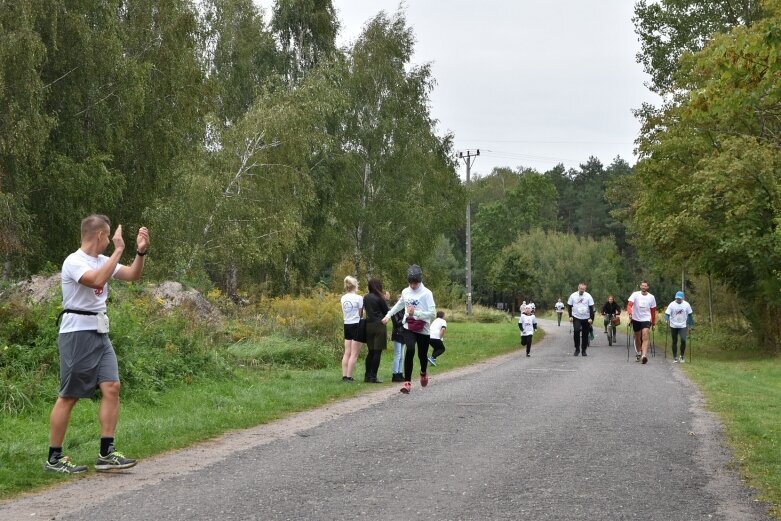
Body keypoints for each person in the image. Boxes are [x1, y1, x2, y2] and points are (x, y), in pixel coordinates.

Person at [45, 215, 149, 474]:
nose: (111, 241)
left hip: (100, 332)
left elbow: (132, 275)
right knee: (69, 396)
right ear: (101, 236)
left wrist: (140, 252)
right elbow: (96, 280)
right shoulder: (74, 261)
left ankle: (106, 453)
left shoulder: (104, 260)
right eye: (109, 237)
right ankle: (54, 458)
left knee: (112, 386)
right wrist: (119, 249)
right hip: (77, 333)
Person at [382, 265, 436, 394]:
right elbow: (399, 305)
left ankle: (423, 372)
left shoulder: (427, 293)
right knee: (410, 349)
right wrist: (388, 316)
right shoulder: (406, 291)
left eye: (415, 283)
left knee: (422, 355)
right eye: (411, 283)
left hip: (423, 328)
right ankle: (407, 383)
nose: (413, 286)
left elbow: (433, 314)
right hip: (408, 326)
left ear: (420, 280)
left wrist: (416, 313)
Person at [362, 279, 389, 383]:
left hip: (368, 325)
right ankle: (373, 376)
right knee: (377, 352)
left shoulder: (366, 297)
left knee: (370, 352)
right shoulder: (380, 297)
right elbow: (386, 311)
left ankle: (367, 376)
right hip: (379, 325)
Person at [627, 281, 657, 364]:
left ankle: (644, 355)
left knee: (645, 335)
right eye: (642, 286)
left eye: (645, 286)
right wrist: (630, 313)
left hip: (646, 319)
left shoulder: (651, 297)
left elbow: (653, 311)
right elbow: (629, 305)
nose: (644, 287)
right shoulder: (635, 294)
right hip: (636, 318)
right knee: (637, 337)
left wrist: (653, 322)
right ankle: (639, 352)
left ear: (647, 287)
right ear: (640, 286)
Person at [340, 276, 363, 382]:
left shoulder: (343, 298)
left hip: (347, 324)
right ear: (355, 286)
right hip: (356, 325)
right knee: (354, 353)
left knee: (347, 352)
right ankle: (349, 376)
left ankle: (344, 376)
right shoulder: (359, 298)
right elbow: (360, 313)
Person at [665, 291, 694, 363]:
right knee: (674, 341)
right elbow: (667, 314)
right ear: (675, 298)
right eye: (677, 298)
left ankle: (681, 356)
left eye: (680, 298)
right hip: (673, 325)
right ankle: (675, 357)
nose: (678, 299)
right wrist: (667, 319)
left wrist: (690, 325)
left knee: (683, 341)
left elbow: (690, 315)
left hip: (683, 325)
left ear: (683, 298)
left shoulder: (686, 304)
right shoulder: (672, 304)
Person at [567, 283, 595, 356]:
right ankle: (577, 349)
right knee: (576, 331)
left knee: (585, 334)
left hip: (586, 318)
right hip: (576, 317)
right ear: (578, 288)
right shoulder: (573, 296)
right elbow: (569, 306)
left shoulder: (588, 296)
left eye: (583, 289)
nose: (582, 290)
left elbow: (591, 308)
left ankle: (584, 350)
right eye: (581, 289)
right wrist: (570, 316)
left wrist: (591, 318)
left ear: (585, 289)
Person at [389, 296, 406, 382]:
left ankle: (400, 373)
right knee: (398, 354)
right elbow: (396, 323)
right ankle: (395, 374)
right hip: (397, 333)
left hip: (404, 334)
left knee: (402, 356)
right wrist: (406, 319)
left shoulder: (405, 310)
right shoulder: (394, 311)